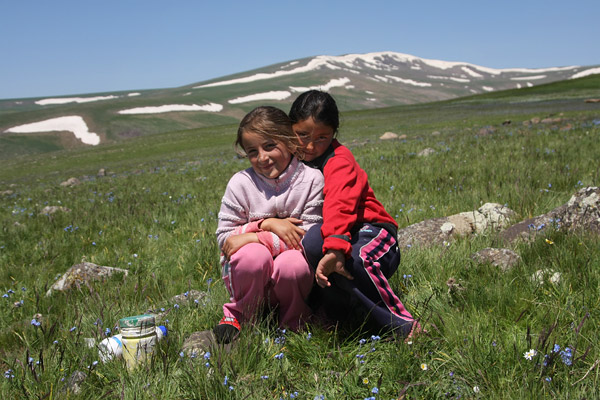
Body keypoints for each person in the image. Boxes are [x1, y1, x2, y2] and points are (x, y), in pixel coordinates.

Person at [289, 90, 420, 338]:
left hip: (372, 230)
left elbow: (340, 203)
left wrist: (337, 247)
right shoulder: (291, 160)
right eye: (302, 135)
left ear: (334, 135)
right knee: (312, 242)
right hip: (336, 232)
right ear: (290, 128)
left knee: (357, 259)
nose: (309, 145)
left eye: (321, 138)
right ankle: (338, 312)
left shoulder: (339, 160)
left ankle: (402, 326)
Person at [214, 106, 324, 344]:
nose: (262, 157)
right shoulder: (240, 183)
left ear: (290, 142)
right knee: (252, 257)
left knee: (293, 262)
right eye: (252, 151)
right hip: (249, 282)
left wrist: (253, 237)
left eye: (269, 146)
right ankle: (240, 316)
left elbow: (308, 239)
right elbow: (227, 241)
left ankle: (293, 321)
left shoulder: (311, 180)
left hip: (294, 278)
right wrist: (267, 224)